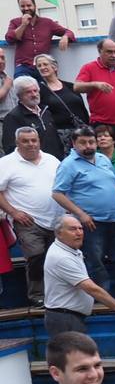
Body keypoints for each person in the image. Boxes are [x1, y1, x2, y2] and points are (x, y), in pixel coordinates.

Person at [52, 127, 115, 301]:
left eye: (91, 142)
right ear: (74, 144)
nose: (88, 146)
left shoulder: (103, 159)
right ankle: (102, 300)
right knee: (95, 262)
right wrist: (81, 215)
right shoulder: (68, 164)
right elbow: (57, 193)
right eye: (83, 142)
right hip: (91, 222)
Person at [41, 216, 115, 337]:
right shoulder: (61, 257)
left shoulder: (69, 249)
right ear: (58, 233)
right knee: (79, 356)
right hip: (64, 319)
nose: (79, 233)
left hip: (69, 317)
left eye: (81, 228)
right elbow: (91, 288)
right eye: (73, 229)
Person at [0, 126, 64, 305]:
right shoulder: (5, 163)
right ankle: (37, 296)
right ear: (17, 142)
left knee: (57, 259)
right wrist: (13, 212)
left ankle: (58, 295)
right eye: (25, 141)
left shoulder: (52, 160)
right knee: (36, 256)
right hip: (28, 221)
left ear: (39, 141)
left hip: (57, 220)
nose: (30, 144)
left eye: (33, 140)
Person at [74, 39, 115, 148]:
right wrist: (95, 84)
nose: (114, 55)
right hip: (103, 125)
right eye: (109, 52)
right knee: (105, 158)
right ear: (100, 51)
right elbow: (76, 87)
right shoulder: (89, 68)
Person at [5, 0, 73, 79]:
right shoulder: (15, 22)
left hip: (43, 66)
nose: (26, 8)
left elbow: (68, 32)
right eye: (22, 6)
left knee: (49, 89)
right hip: (23, 66)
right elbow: (10, 40)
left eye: (29, 5)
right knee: (22, 86)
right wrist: (23, 25)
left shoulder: (47, 22)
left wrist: (65, 37)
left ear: (34, 5)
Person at [34, 54, 89, 150]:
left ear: (54, 67)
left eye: (45, 64)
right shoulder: (39, 90)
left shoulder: (70, 86)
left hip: (80, 133)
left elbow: (82, 108)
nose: (42, 67)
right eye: (39, 66)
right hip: (60, 137)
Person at [2, 76, 64, 158]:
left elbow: (56, 140)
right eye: (28, 92)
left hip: (53, 162)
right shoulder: (13, 117)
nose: (34, 94)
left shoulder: (46, 112)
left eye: (35, 91)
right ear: (19, 96)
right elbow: (10, 148)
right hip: (32, 164)